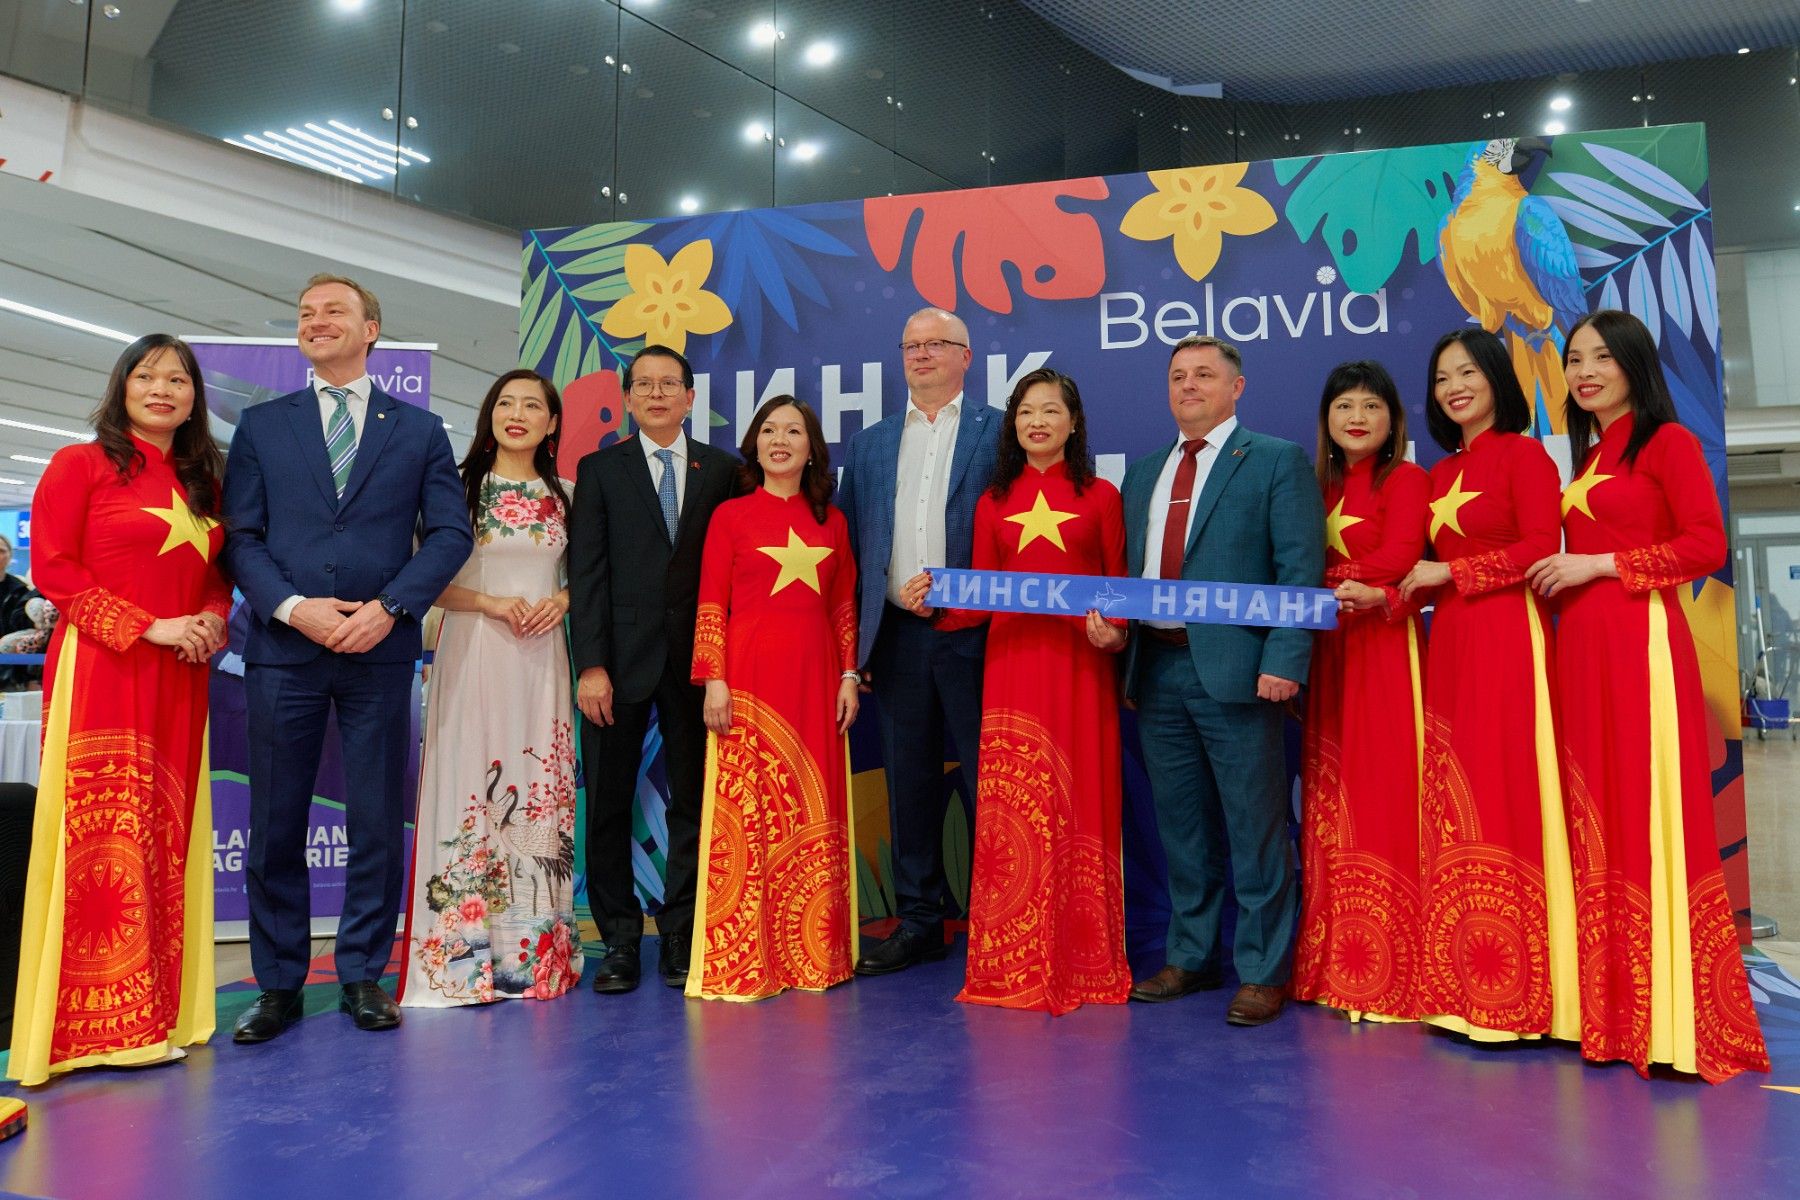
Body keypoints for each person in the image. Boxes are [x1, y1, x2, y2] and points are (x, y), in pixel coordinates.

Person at [223, 274, 472, 1042]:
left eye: (334, 310)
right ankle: (279, 984)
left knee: (374, 820)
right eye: (305, 313)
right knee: (274, 823)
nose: (315, 321)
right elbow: (242, 538)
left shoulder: (419, 430)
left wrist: (390, 608)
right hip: (283, 649)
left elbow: (450, 534)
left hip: (379, 650)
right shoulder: (262, 427)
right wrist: (292, 607)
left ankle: (363, 973)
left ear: (371, 329)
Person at [1525, 310, 1769, 1082]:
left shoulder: (1668, 443)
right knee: (1598, 813)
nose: (1585, 371)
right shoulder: (1590, 456)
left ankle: (1669, 1017)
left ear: (1633, 364)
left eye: (1602, 357)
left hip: (1642, 644)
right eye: (1574, 359)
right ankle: (1611, 1006)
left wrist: (1600, 565)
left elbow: (1706, 544)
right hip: (1582, 650)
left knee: (1649, 808)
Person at [8, 334, 230, 1085]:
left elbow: (218, 575)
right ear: (122, 386)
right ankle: (99, 1027)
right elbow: (55, 568)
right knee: (104, 834)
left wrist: (209, 622)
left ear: (194, 398)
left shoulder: (204, 482)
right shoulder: (80, 465)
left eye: (178, 379)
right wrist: (148, 626)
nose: (162, 389)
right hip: (106, 664)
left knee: (169, 832)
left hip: (182, 676)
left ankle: (162, 1012)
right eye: (147, 375)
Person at [898, 368, 1131, 1015]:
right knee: (1016, 811)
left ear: (1074, 423)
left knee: (1080, 802)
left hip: (1080, 671)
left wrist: (1114, 633)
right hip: (1011, 672)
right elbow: (978, 599)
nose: (1037, 422)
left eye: (1051, 410)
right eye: (1026, 412)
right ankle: (1012, 960)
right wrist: (935, 601)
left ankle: (1086, 959)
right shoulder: (992, 501)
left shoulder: (1103, 497)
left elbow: (1119, 590)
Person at [1121, 334, 1325, 1026]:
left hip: (1240, 672)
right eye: (1178, 375)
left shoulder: (1274, 460)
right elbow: (1130, 576)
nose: (1188, 386)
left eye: (1204, 375)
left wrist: (1284, 659)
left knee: (1255, 826)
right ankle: (1192, 955)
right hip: (1157, 669)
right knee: (1181, 827)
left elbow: (1300, 569)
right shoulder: (1143, 473)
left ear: (1236, 387)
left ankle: (1263, 970)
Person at [1398, 328, 1577, 1044]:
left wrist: (1454, 573)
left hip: (1508, 635)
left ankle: (1524, 994)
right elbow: (1416, 567)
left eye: (1468, 372)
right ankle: (1465, 982)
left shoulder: (1525, 456)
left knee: (1507, 790)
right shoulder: (1439, 473)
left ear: (1498, 378)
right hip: (1452, 642)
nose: (1454, 387)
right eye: (1443, 378)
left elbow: (1540, 547)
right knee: (1457, 798)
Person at [398, 370, 583, 1006]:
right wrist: (490, 602)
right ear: (489, 414)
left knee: (537, 786)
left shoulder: (568, 496)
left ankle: (530, 961)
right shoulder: (454, 489)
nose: (517, 413)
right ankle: (460, 961)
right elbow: (420, 577)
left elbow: (590, 575)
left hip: (541, 661)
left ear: (552, 424)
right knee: (469, 783)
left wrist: (562, 600)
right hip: (473, 649)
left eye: (533, 405)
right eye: (506, 402)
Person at [568, 345, 737, 992]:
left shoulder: (724, 470)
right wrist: (591, 665)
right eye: (645, 384)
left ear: (690, 397)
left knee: (693, 801)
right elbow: (587, 574)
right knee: (609, 802)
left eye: (670, 384)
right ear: (628, 399)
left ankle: (679, 933)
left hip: (698, 664)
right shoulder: (600, 470)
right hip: (617, 665)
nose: (658, 394)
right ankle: (617, 939)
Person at [838, 308, 1000, 976]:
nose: (922, 354)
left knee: (991, 782)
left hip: (979, 636)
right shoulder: (871, 444)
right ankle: (920, 922)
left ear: (967, 356)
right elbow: (850, 545)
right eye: (911, 345)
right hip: (897, 638)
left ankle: (1002, 921)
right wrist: (858, 645)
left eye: (937, 344)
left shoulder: (1000, 433)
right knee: (908, 783)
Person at [687, 397, 860, 1000]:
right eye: (768, 430)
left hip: (816, 681)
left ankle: (814, 954)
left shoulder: (833, 522)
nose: (779, 440)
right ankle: (744, 956)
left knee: (815, 808)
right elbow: (711, 598)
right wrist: (713, 677)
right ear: (754, 445)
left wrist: (849, 675)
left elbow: (844, 605)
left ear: (812, 449)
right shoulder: (730, 516)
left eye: (793, 431)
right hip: (748, 680)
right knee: (748, 814)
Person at [1290, 361, 1431, 1022]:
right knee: (1328, 798)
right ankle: (1334, 962)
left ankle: (1391, 971)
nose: (1356, 417)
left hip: (1382, 648)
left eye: (1371, 406)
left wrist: (1322, 585)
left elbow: (1400, 557)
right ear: (1326, 418)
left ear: (1393, 420)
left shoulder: (1406, 480)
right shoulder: (1312, 486)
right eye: (1344, 405)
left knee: (1382, 793)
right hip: (1327, 652)